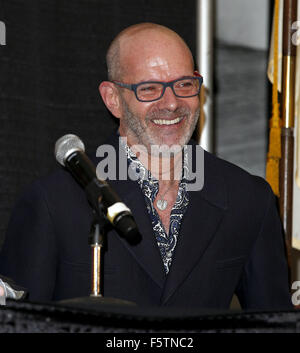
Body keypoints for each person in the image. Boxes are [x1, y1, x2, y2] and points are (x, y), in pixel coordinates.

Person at [0, 23, 292, 310]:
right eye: (150, 89)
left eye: (184, 84)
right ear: (113, 99)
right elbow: (21, 324)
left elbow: (273, 324)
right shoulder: (53, 202)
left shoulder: (248, 198)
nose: (172, 103)